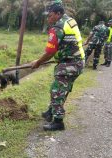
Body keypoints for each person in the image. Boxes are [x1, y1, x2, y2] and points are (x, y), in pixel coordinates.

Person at [29, 0, 85, 131]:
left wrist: (37, 63)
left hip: (70, 63)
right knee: (61, 88)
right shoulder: (70, 20)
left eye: (50, 15)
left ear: (58, 13)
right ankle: (50, 112)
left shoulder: (57, 27)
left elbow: (50, 52)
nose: (48, 17)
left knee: (57, 90)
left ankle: (58, 122)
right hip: (77, 61)